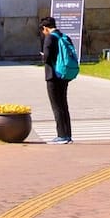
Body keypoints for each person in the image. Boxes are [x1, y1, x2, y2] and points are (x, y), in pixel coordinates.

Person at [40, 16, 77, 144]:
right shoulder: (64, 36)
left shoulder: (50, 38)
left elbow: (47, 57)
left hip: (53, 76)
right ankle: (68, 134)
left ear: (45, 28)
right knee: (63, 105)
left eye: (43, 30)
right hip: (64, 74)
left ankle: (61, 135)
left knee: (56, 106)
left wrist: (43, 57)